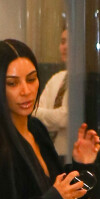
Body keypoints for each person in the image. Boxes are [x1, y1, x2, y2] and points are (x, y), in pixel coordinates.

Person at [0, 39, 100, 199]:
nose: (26, 91)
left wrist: (82, 165)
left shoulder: (36, 129)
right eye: (12, 83)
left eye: (31, 79)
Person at [35, 28, 69, 160]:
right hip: (48, 155)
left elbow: (65, 117)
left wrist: (43, 115)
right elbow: (33, 114)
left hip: (70, 156)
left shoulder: (83, 82)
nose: (65, 47)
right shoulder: (56, 78)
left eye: (69, 42)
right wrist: (55, 117)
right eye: (62, 42)